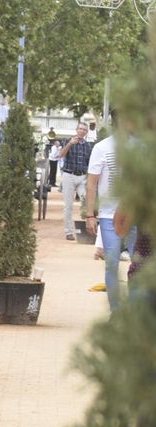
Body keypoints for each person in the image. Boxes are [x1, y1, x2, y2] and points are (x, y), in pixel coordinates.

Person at [85, 113, 132, 310]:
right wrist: (90, 215)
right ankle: (116, 310)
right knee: (112, 264)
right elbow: (92, 183)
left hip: (135, 215)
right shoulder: (101, 147)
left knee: (140, 264)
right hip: (108, 215)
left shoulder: (142, 147)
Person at [56, 122, 93, 241]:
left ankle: (88, 229)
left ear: (86, 133)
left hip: (82, 177)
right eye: (80, 129)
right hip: (69, 175)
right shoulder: (68, 141)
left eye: (84, 130)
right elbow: (61, 155)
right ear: (76, 130)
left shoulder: (88, 146)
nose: (82, 131)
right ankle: (69, 232)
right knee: (68, 205)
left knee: (86, 203)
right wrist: (69, 144)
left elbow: (90, 163)